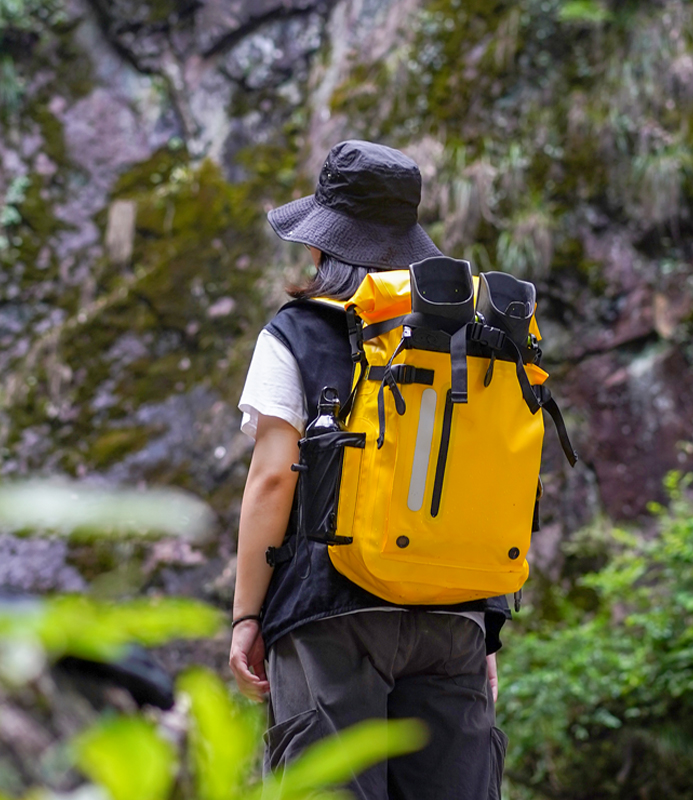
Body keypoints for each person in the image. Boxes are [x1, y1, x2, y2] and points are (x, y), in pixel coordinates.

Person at [229, 140, 509, 800]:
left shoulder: (297, 331)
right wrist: (485, 628)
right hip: (455, 612)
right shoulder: (466, 340)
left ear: (321, 245)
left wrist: (246, 616)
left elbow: (273, 479)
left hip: (332, 611)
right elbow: (482, 475)